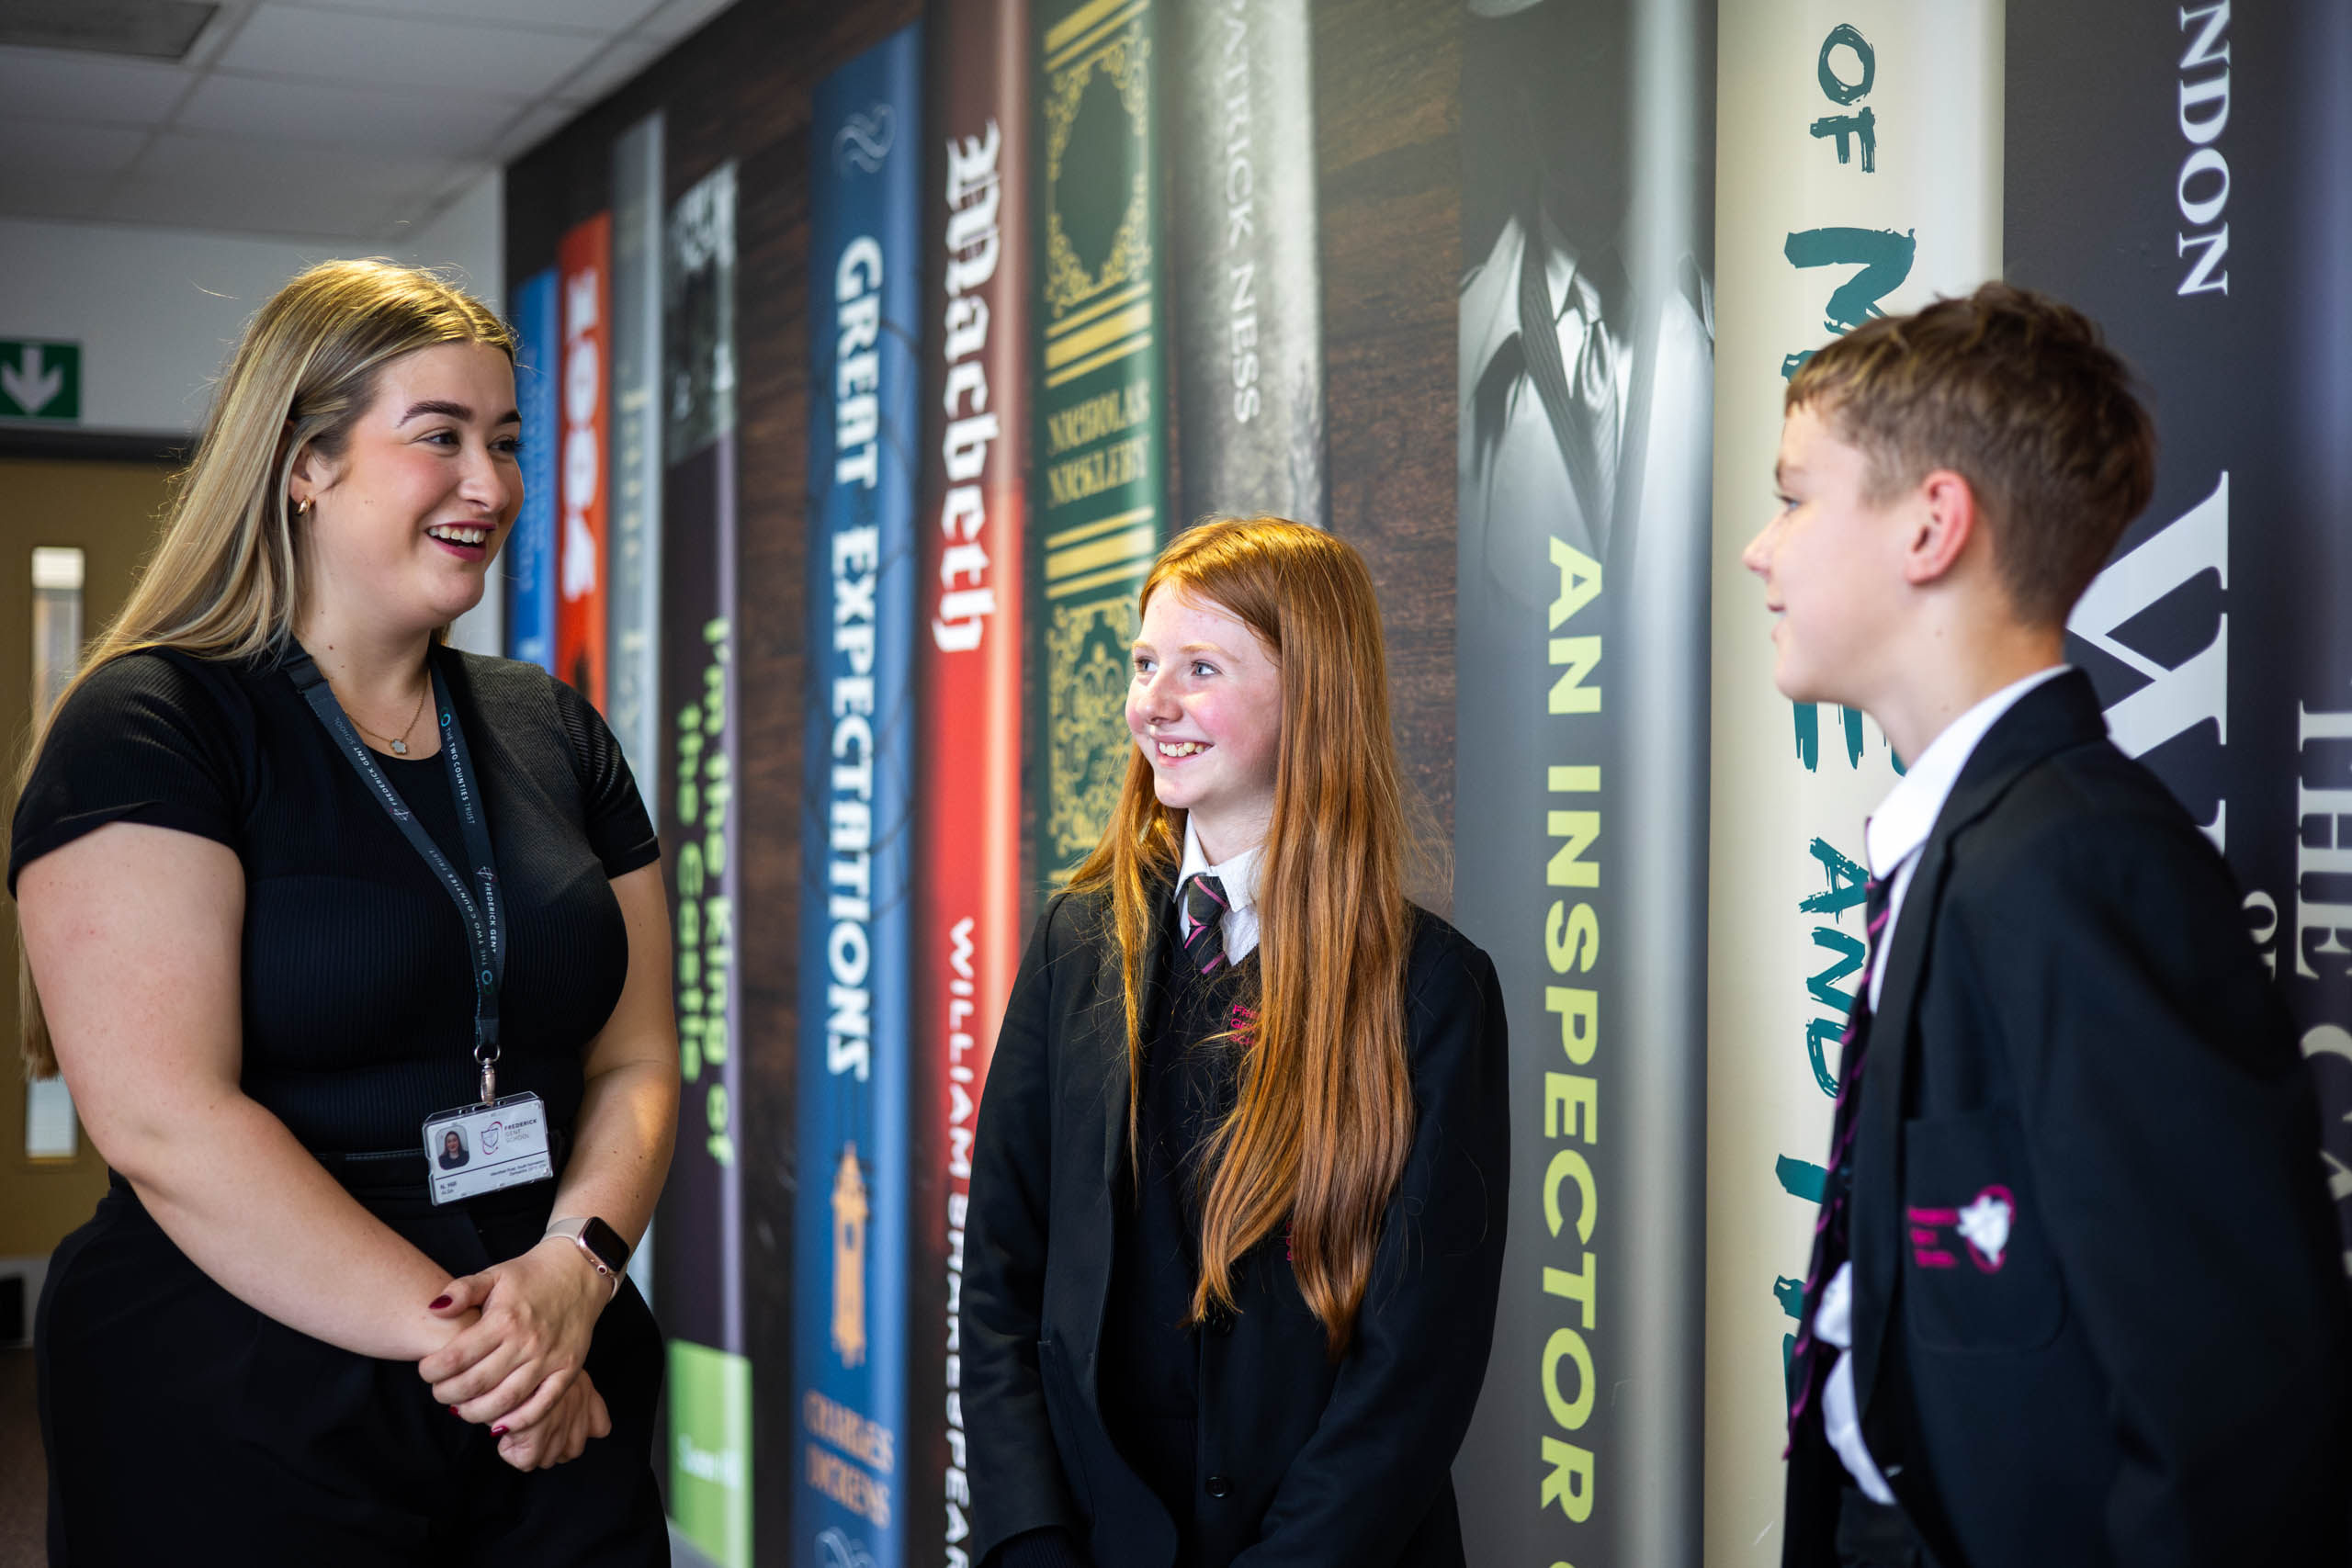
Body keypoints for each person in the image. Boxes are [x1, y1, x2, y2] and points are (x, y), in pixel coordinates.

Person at [10, 259, 680, 1563]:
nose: (491, 484)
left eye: (506, 443)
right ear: (305, 463)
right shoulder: (153, 722)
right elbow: (164, 1122)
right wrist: (490, 1353)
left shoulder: (552, 728)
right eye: (440, 436)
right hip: (250, 1376)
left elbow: (638, 1057)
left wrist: (575, 1269)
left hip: (553, 1340)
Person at [1751, 282, 2351, 1568]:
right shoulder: (1976, 844)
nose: (1763, 548)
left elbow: (2226, 1423)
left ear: (1932, 525)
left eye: (1795, 497)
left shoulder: (2081, 865)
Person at [962, 517, 1510, 1568]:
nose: (1152, 703)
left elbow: (1417, 1365)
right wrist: (1029, 1540)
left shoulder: (1433, 989)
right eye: (1144, 664)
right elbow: (1000, 1280)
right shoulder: (1078, 944)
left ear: (1313, 693)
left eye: (1200, 668)